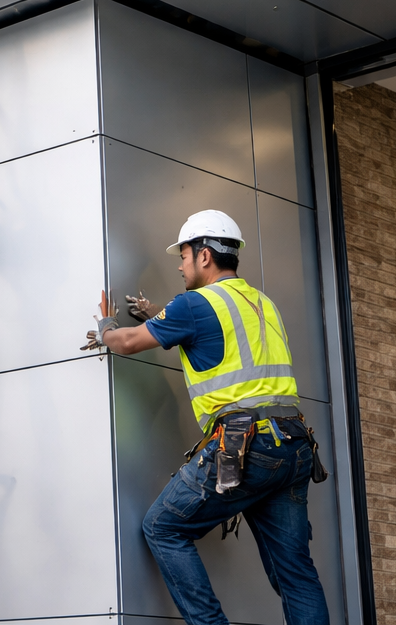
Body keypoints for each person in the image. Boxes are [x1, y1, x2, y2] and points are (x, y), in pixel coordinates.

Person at [89, 210, 329, 625]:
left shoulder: (194, 305)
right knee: (295, 573)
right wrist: (161, 315)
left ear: (203, 256)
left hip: (246, 446)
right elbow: (219, 335)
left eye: (182, 256)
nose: (179, 266)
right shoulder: (261, 304)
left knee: (163, 527)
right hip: (293, 445)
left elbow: (127, 342)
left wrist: (107, 327)